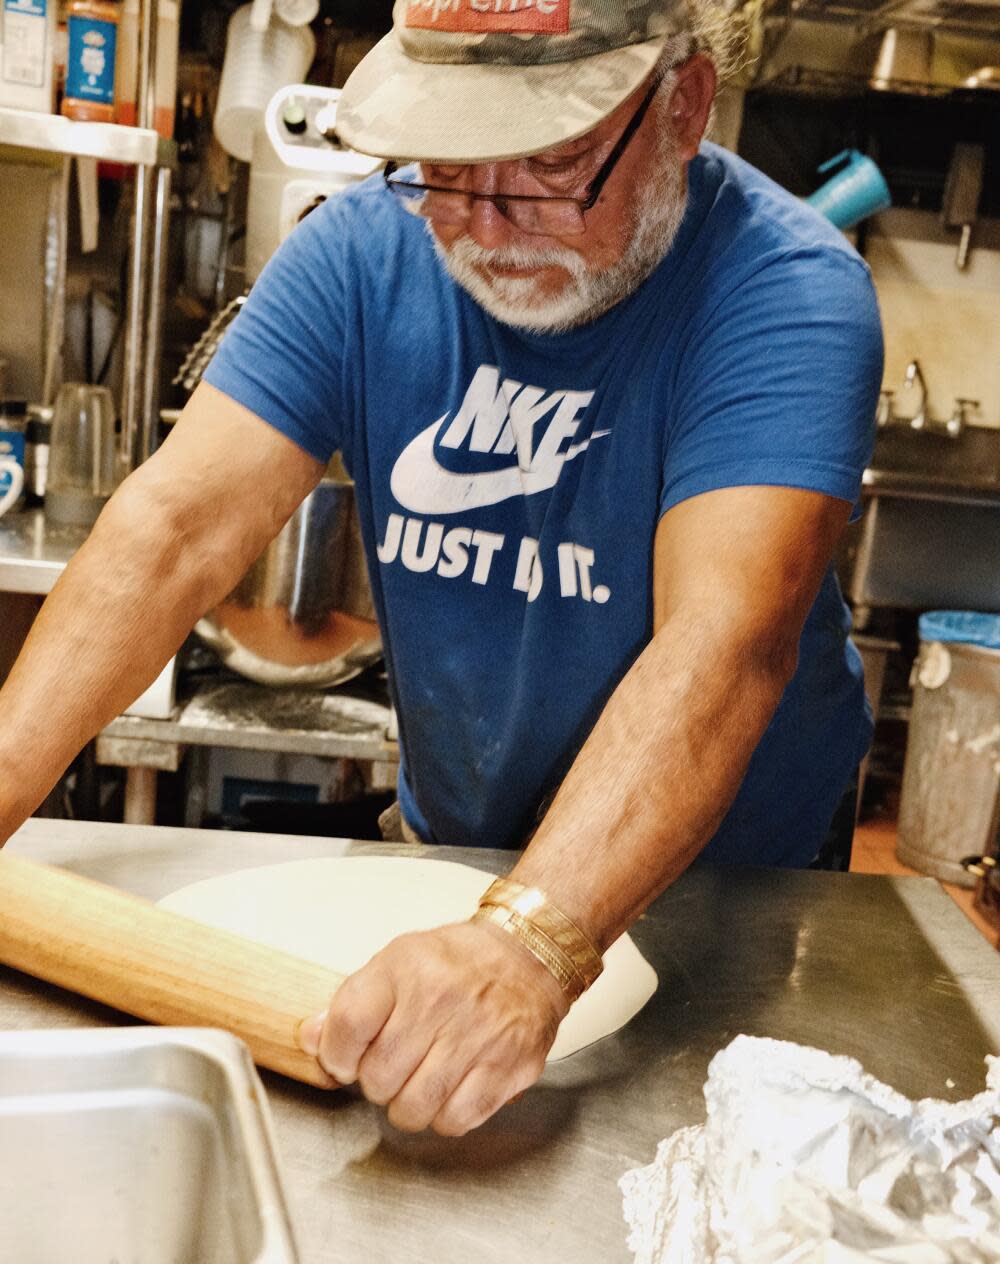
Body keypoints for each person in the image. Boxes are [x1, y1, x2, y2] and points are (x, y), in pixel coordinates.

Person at [0, 0, 883, 1137]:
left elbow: (725, 642)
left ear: (682, 106)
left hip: (726, 896)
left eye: (549, 162)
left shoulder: (786, 293)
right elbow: (174, 530)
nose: (485, 221)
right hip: (457, 848)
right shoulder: (365, 250)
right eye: (451, 160)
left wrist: (533, 936)